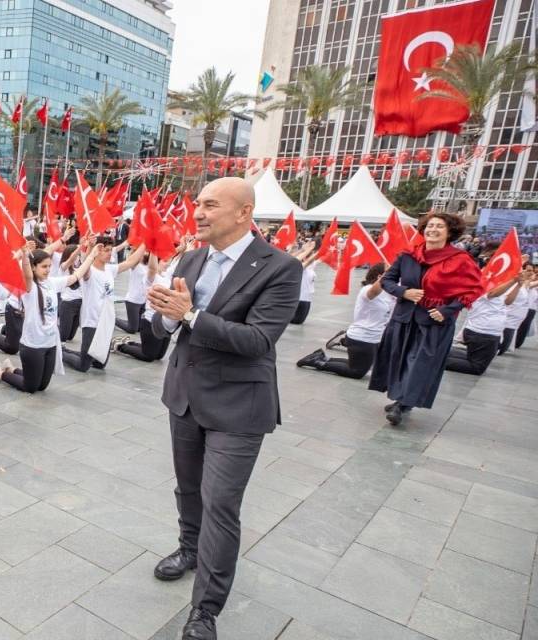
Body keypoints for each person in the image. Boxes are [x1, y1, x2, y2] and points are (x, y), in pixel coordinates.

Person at [143, 177, 302, 640]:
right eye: (197, 203)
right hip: (185, 395)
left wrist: (190, 315)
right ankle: (188, 549)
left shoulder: (279, 268)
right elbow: (160, 326)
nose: (198, 211)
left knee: (221, 505)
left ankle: (205, 611)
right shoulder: (191, 257)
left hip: (238, 405)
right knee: (188, 490)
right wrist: (166, 316)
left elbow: (257, 341)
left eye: (210, 204)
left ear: (244, 212)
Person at [370, 212, 483, 425]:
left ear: (450, 232)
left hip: (434, 322)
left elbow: (472, 290)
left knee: (419, 363)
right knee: (400, 359)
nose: (433, 229)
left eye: (439, 226)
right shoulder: (408, 255)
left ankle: (402, 404)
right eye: (430, 225)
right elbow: (388, 281)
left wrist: (447, 311)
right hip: (404, 318)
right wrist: (404, 292)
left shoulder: (460, 260)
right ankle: (402, 398)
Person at [0, 241, 97, 393]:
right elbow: (27, 273)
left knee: (42, 386)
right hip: (33, 345)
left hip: (50, 343)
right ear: (33, 267)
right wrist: (24, 255)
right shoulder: (28, 287)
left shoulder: (52, 283)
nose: (48, 270)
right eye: (44, 266)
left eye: (49, 266)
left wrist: (92, 256)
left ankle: (12, 369)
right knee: (30, 387)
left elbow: (76, 276)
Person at [296, 264, 395, 378]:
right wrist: (389, 272)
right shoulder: (367, 289)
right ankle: (316, 362)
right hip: (362, 338)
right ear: (380, 277)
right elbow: (373, 293)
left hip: (374, 338)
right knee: (356, 372)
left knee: (360, 365)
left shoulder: (388, 293)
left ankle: (321, 357)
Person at [62, 240, 145, 371]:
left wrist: (144, 242)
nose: (109, 253)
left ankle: (81, 354)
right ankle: (61, 353)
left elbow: (130, 262)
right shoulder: (90, 271)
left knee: (99, 364)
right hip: (92, 322)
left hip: (106, 322)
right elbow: (86, 266)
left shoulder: (110, 269)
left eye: (110, 250)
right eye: (106, 250)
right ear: (98, 251)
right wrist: (90, 248)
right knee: (83, 366)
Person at [498, 268, 532, 355]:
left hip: (514, 323)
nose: (528, 273)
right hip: (508, 322)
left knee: (502, 349)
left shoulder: (523, 286)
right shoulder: (513, 286)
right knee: (500, 350)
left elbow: (527, 283)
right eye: (526, 271)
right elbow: (508, 301)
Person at [289, 246, 319, 324]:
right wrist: (317, 251)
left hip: (308, 299)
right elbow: (308, 260)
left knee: (300, 321)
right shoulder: (301, 267)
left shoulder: (311, 266)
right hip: (300, 299)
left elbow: (319, 259)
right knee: (297, 321)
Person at [515, 266, 537, 349]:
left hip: (530, 309)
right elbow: (527, 285)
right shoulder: (523, 282)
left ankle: (516, 343)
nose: (532, 273)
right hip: (518, 308)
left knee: (523, 329)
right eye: (529, 271)